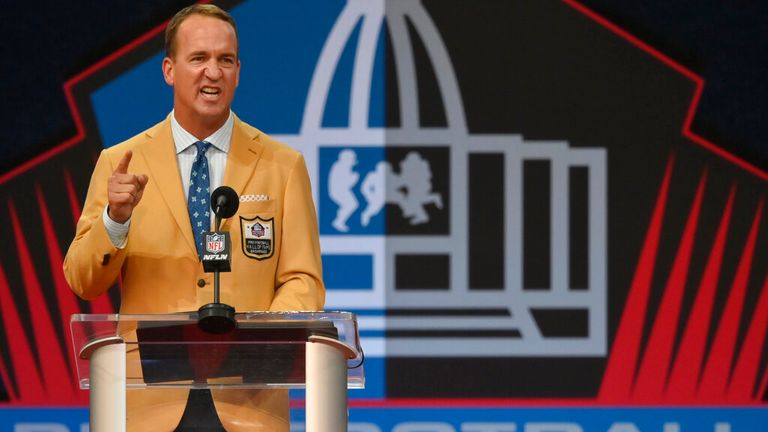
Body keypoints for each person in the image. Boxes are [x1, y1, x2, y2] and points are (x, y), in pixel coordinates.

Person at [63, 4, 324, 431]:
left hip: (249, 400)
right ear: (169, 70)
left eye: (225, 60)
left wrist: (256, 348)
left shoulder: (282, 165)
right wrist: (115, 219)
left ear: (239, 71)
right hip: (148, 404)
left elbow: (303, 281)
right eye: (198, 58)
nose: (213, 72)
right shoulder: (122, 163)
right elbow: (82, 280)